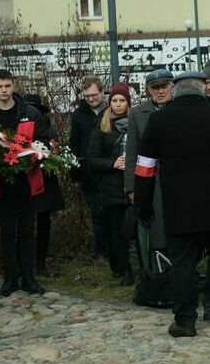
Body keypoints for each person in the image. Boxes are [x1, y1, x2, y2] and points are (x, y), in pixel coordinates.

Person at [135, 71, 210, 337]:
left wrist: (143, 207)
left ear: (175, 90)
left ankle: (185, 320)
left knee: (182, 262)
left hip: (178, 206)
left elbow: (144, 169)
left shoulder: (158, 121)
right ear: (203, 90)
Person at [0, 69, 55, 297]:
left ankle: (29, 278)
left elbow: (43, 138)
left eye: (7, 86)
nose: (3, 91)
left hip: (27, 179)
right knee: (7, 230)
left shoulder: (29, 112)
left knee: (28, 230)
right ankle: (10, 279)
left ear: (13, 86)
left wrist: (33, 153)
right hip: (0, 181)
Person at [124, 69, 175, 306]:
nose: (161, 91)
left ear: (172, 87)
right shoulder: (137, 113)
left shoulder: (181, 108)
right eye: (156, 88)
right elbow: (132, 152)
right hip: (151, 183)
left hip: (179, 180)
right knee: (156, 233)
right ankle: (160, 279)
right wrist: (132, 188)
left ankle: (184, 276)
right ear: (148, 90)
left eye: (165, 86)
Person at [87, 82, 134, 285]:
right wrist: (112, 163)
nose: (117, 104)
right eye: (114, 100)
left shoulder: (137, 123)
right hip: (111, 186)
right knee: (117, 230)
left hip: (134, 184)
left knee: (135, 228)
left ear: (128, 102)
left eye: (122, 100)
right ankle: (123, 269)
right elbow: (92, 158)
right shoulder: (102, 126)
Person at [22, 93, 64, 277]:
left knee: (44, 223)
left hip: (45, 182)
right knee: (25, 225)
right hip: (24, 182)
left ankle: (40, 262)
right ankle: (27, 262)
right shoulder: (19, 128)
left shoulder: (48, 130)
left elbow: (55, 151)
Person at [70, 77, 107, 259]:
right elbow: (74, 146)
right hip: (87, 171)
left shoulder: (111, 109)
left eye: (94, 95)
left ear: (102, 92)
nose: (91, 99)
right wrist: (75, 176)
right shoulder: (78, 115)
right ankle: (100, 251)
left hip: (110, 169)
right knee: (96, 214)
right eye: (87, 96)